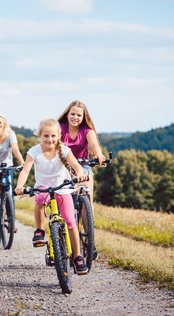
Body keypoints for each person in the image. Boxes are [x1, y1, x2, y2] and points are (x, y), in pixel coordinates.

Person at [14, 118, 89, 275]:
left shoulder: (65, 150)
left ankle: (77, 256)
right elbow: (26, 170)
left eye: (53, 136)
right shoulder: (34, 152)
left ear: (59, 136)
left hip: (63, 188)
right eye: (46, 136)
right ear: (39, 136)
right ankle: (40, 230)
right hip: (43, 188)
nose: (50, 139)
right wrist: (20, 186)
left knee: (70, 221)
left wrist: (80, 174)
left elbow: (76, 166)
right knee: (39, 199)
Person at [57, 100, 106, 260]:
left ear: (83, 117)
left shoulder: (87, 130)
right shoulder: (60, 128)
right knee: (61, 200)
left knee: (87, 201)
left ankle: (88, 242)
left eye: (79, 115)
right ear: (67, 114)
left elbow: (95, 146)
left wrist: (99, 156)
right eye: (72, 114)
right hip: (63, 167)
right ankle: (59, 233)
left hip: (84, 166)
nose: (75, 117)